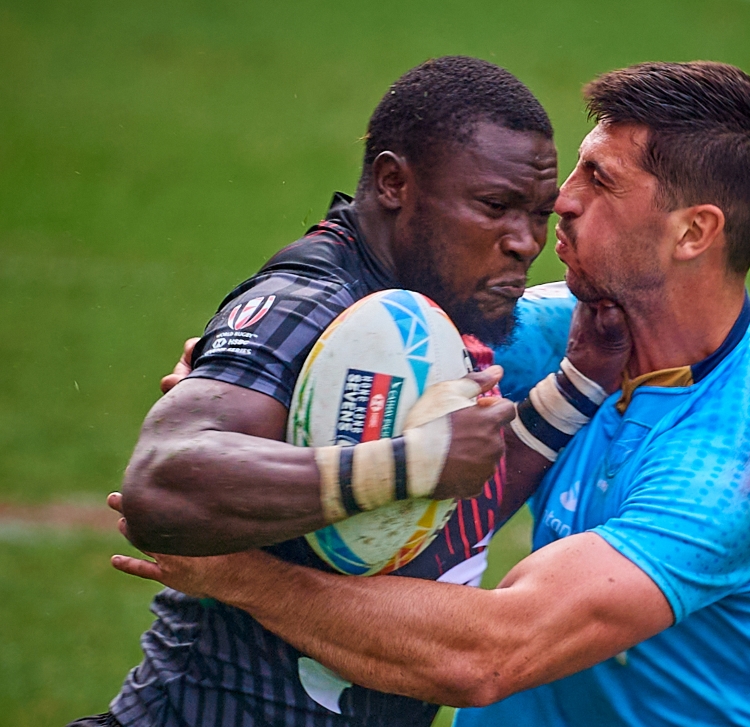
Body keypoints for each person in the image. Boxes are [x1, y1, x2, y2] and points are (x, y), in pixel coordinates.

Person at [112, 60, 750, 727]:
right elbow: (355, 345)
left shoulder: (737, 466)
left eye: (600, 180)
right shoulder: (578, 335)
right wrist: (249, 378)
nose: (563, 201)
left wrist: (239, 574)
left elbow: (488, 655)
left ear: (693, 232)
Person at [74, 56, 627, 727]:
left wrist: (579, 383)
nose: (525, 242)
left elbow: (431, 518)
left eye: (539, 214)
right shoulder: (309, 302)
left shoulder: (435, 301)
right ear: (394, 183)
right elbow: (161, 484)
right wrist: (411, 462)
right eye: (494, 207)